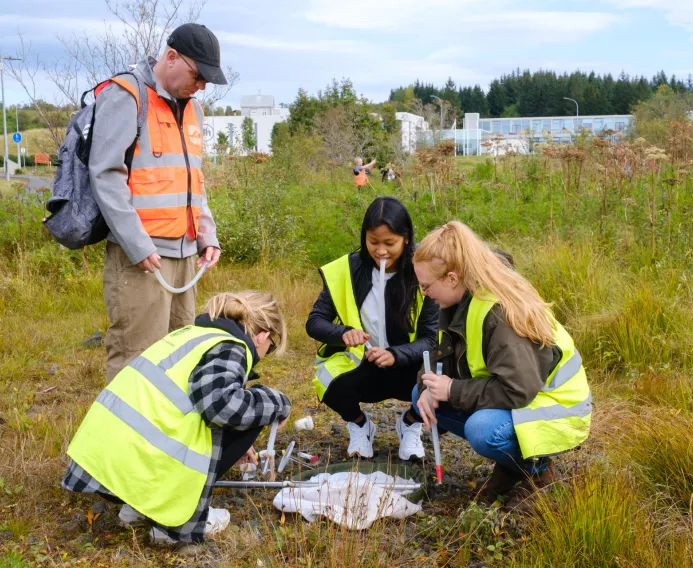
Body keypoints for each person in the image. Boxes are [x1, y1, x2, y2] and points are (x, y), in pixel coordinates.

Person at [62, 291, 291, 544]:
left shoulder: (191, 335)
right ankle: (170, 524)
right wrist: (278, 402)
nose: (262, 356)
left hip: (104, 460)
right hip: (133, 464)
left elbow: (177, 404)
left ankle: (137, 506)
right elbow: (222, 408)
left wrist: (238, 440)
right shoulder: (232, 347)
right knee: (258, 401)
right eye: (269, 349)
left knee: (245, 404)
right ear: (263, 336)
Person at [411, 221, 591, 501]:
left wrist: (452, 390)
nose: (425, 294)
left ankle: (537, 468)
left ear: (451, 278)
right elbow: (438, 353)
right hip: (522, 398)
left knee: (482, 429)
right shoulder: (457, 300)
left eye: (426, 286)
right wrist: (427, 388)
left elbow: (517, 389)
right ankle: (511, 467)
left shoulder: (499, 313)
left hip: (555, 408)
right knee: (419, 394)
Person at [90, 23, 228, 381]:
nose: (201, 87)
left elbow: (193, 180)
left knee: (181, 357)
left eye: (206, 82)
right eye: (198, 76)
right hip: (141, 259)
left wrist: (206, 235)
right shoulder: (126, 96)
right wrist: (137, 246)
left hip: (185, 258)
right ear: (171, 57)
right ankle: (121, 438)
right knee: (136, 361)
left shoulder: (194, 109)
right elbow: (105, 175)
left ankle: (163, 436)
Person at [306, 197, 439, 460]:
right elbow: (315, 321)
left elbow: (432, 338)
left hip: (409, 367)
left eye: (390, 243)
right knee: (326, 378)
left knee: (448, 384)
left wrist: (396, 354)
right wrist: (343, 333)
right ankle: (359, 424)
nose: (380, 251)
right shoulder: (347, 269)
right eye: (373, 242)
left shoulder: (425, 271)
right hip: (362, 364)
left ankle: (411, 423)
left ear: (406, 238)